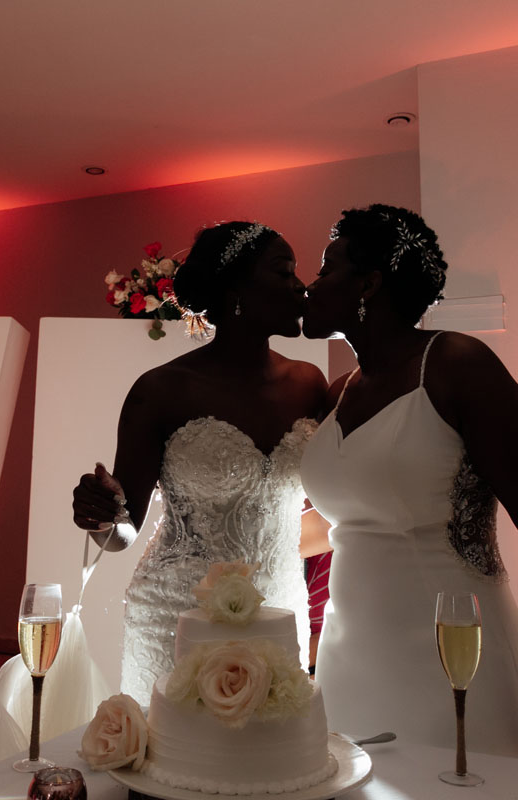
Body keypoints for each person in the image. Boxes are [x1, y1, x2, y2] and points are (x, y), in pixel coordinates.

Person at [299, 204, 518, 765]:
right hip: (348, 662)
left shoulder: (458, 365)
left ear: (370, 283)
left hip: (455, 660)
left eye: (325, 268)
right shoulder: (338, 392)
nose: (312, 286)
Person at [71, 221, 328, 702]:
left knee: (270, 771)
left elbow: (333, 504)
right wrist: (100, 516)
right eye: (283, 270)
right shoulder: (161, 391)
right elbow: (124, 532)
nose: (300, 285)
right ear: (236, 288)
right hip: (178, 617)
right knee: (174, 765)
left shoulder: (311, 385)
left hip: (279, 612)